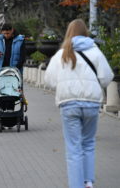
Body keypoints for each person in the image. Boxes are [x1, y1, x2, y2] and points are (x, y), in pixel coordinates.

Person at [44, 19, 114, 188]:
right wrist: (95, 87)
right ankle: (88, 182)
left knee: (74, 147)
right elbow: (107, 76)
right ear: (86, 33)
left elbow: (49, 80)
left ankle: (76, 185)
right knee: (88, 143)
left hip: (69, 104)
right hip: (91, 104)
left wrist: (63, 86)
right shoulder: (95, 51)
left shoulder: (62, 53)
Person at [0, 23, 26, 111]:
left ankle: (10, 111)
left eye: (8, 33)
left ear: (12, 30)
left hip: (14, 72)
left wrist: (16, 69)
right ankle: (2, 111)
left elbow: (22, 57)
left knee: (12, 92)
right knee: (1, 92)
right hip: (1, 72)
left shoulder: (20, 40)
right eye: (4, 33)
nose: (6, 35)